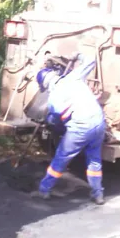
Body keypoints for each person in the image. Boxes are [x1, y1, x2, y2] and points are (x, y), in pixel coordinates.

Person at [34, 52, 106, 205]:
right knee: (94, 159)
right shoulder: (74, 76)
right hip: (99, 123)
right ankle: (98, 194)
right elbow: (91, 59)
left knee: (61, 158)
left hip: (81, 128)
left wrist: (48, 121)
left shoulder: (53, 98)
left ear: (45, 86)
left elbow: (54, 121)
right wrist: (78, 55)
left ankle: (44, 189)